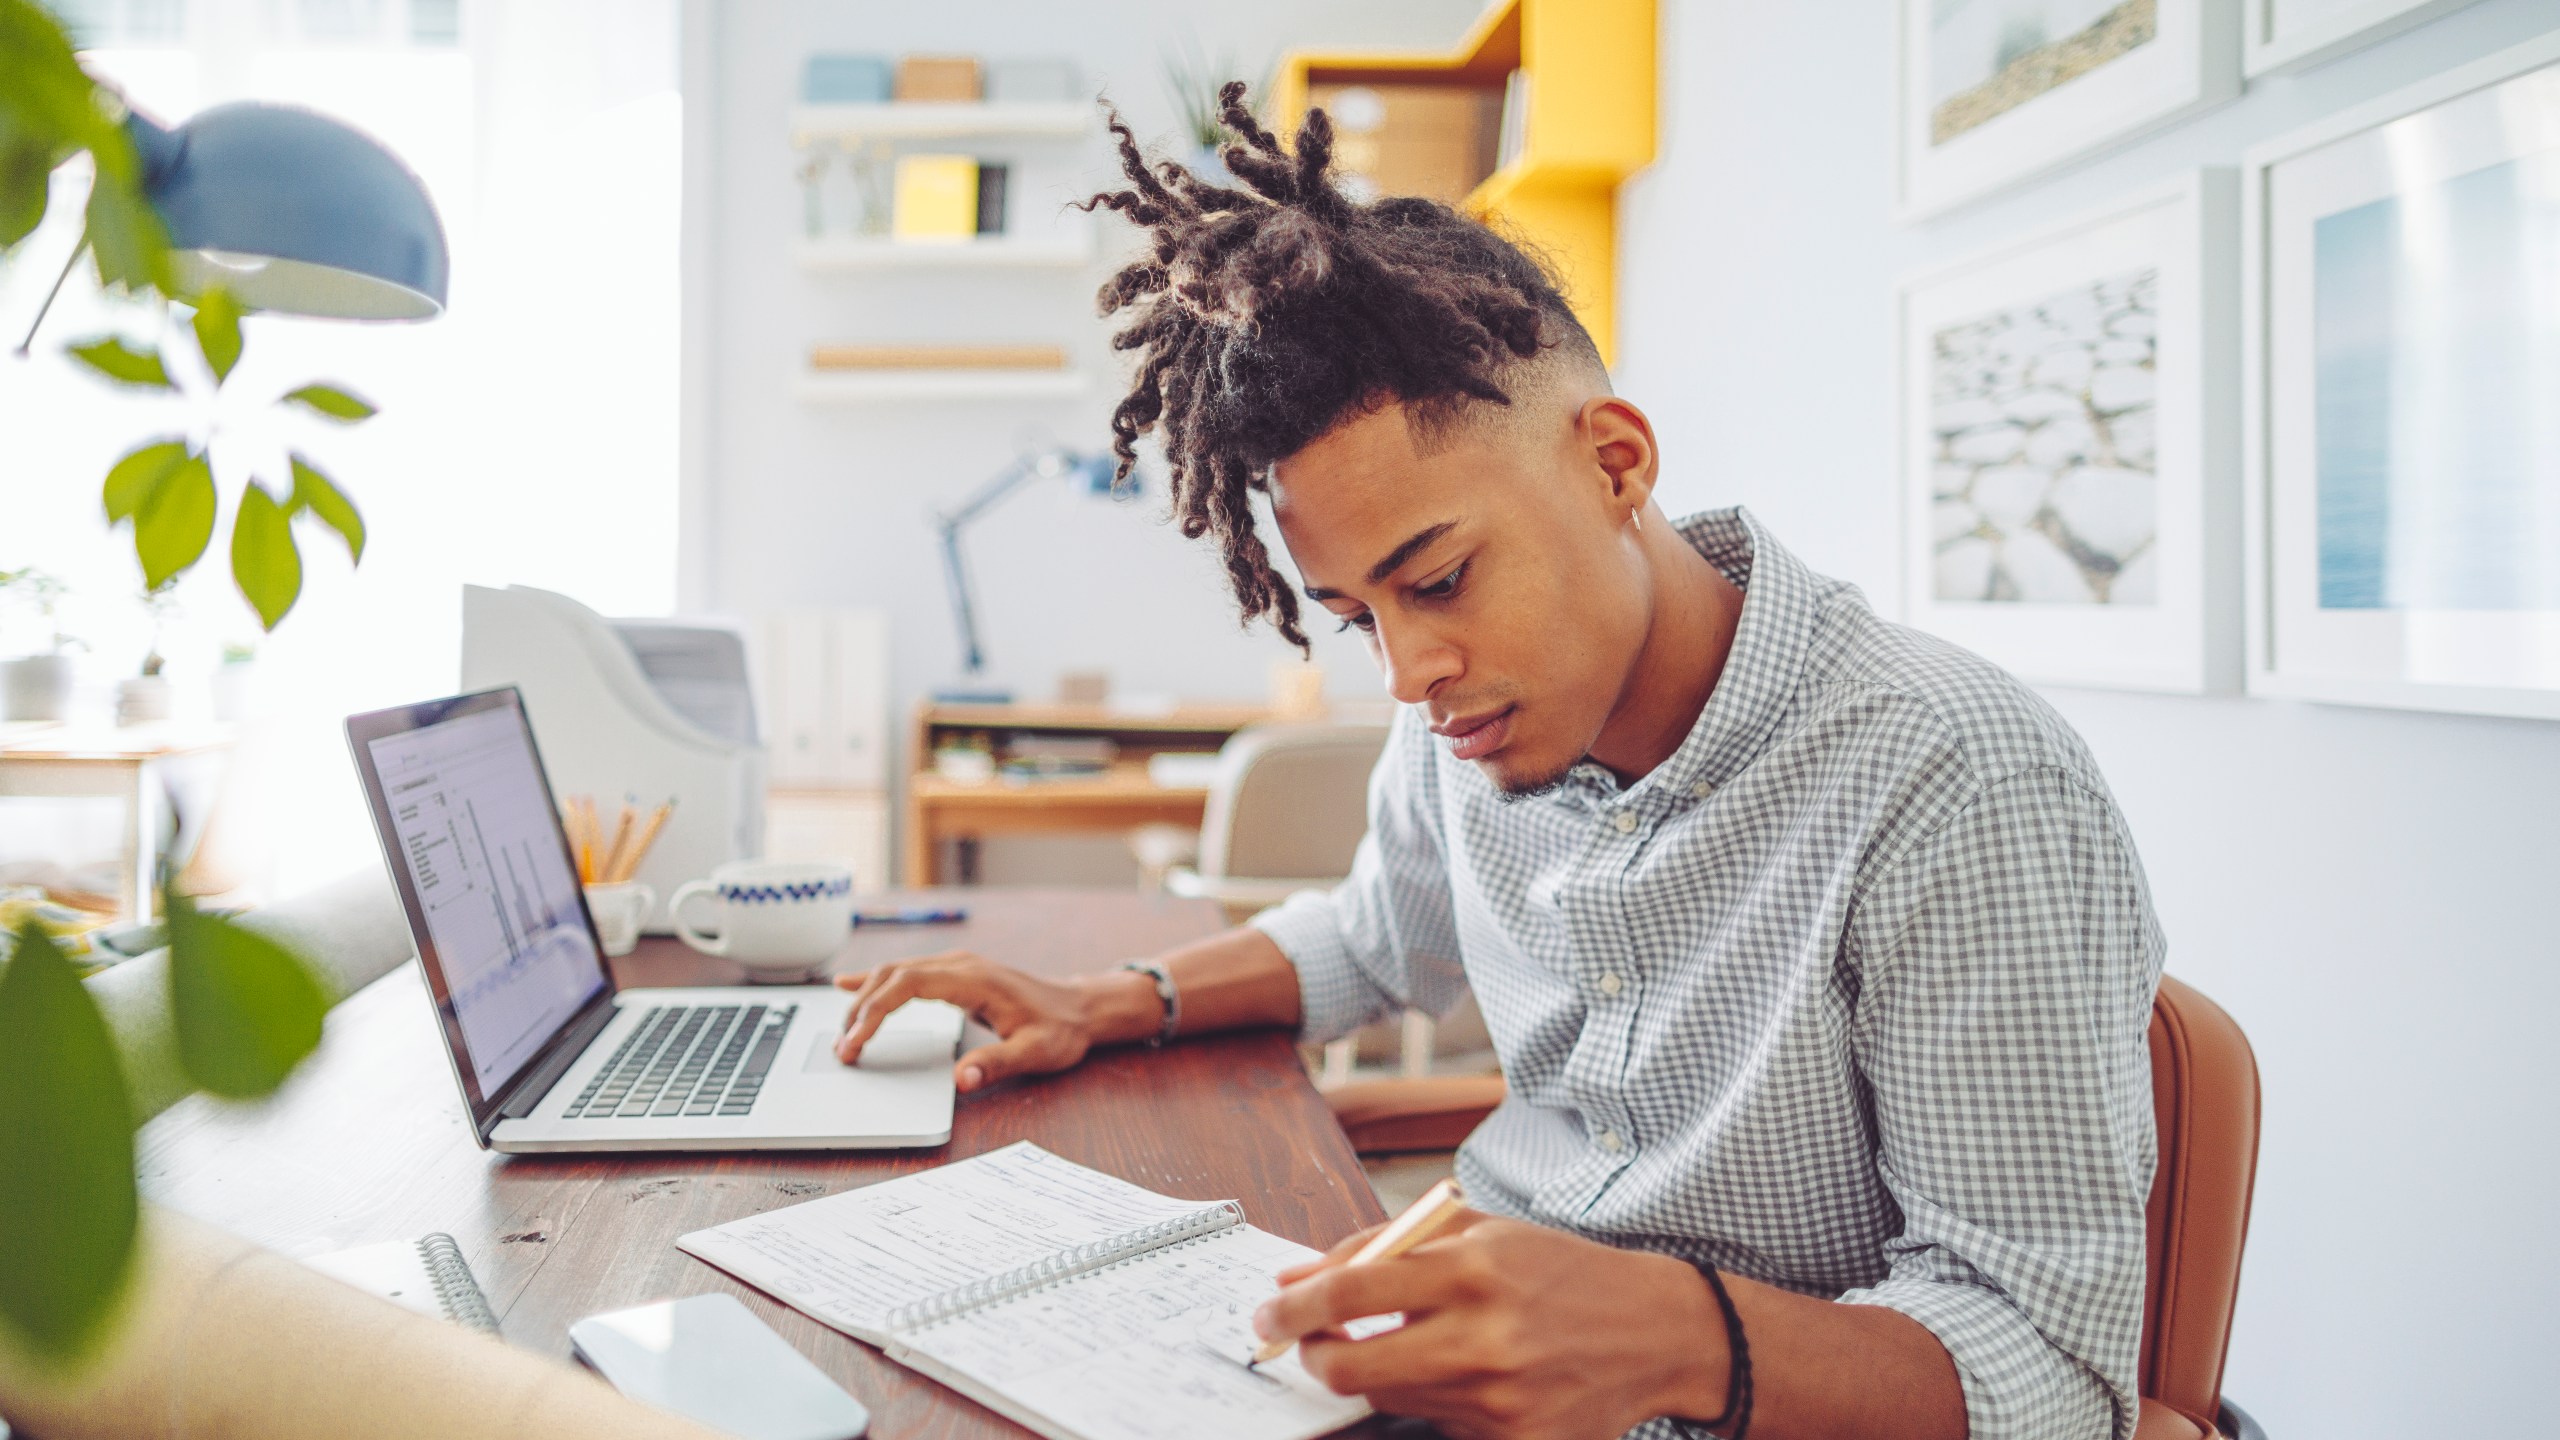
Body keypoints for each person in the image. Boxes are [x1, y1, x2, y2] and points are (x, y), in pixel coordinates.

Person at [835, 86, 2160, 1440]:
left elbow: (2053, 1368)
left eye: (1445, 579)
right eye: (1360, 620)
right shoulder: (1466, 725)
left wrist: (1676, 1339)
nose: (1409, 677)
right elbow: (1369, 938)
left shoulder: (1960, 784)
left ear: (1615, 463)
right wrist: (1110, 1001)